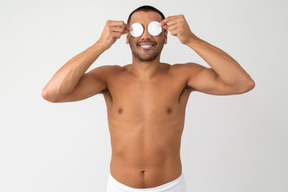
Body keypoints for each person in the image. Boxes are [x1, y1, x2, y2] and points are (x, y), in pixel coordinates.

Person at [42, 5, 255, 192]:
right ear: (127, 37)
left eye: (153, 29)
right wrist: (100, 45)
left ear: (165, 36)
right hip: (119, 187)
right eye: (136, 29)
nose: (145, 36)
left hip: (170, 187)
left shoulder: (183, 76)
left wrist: (191, 39)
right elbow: (52, 93)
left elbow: (242, 83)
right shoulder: (110, 77)